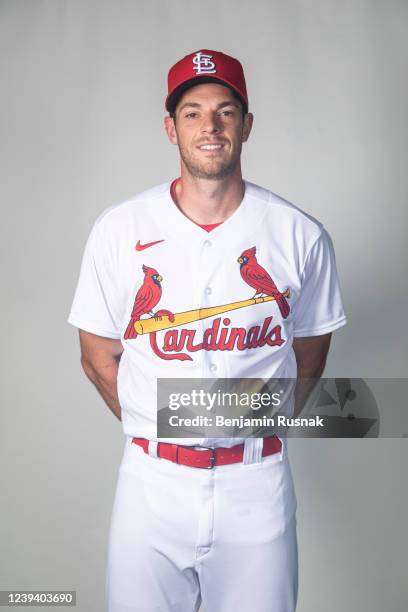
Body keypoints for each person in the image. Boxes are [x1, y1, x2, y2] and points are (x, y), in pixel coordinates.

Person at [68, 49, 347, 612]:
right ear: (171, 128)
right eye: (192, 112)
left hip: (256, 480)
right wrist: (160, 424)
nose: (210, 126)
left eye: (225, 111)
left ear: (246, 124)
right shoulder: (120, 229)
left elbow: (310, 358)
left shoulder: (299, 234)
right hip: (151, 483)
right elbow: (98, 355)